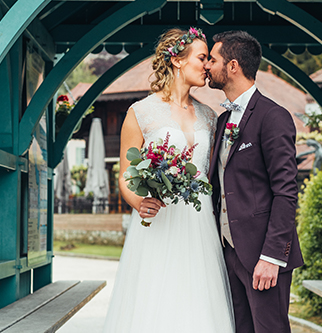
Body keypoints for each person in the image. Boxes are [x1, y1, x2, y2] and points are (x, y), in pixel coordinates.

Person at [102, 28, 234, 333]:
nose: (207, 66)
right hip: (157, 223)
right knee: (153, 304)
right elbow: (125, 174)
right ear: (176, 60)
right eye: (202, 58)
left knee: (198, 303)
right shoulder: (140, 112)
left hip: (201, 224)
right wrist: (139, 202)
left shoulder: (210, 117)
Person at [205, 30, 304, 333]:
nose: (207, 65)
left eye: (212, 59)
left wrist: (272, 256)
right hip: (229, 252)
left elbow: (286, 192)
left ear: (232, 66)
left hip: (263, 255)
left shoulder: (273, 116)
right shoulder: (222, 121)